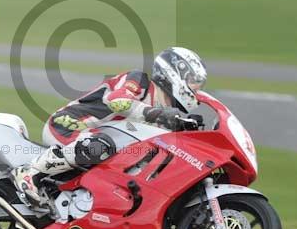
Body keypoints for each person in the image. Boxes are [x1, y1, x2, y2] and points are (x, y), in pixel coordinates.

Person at [12, 47, 208, 204]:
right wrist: (157, 114)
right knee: (100, 145)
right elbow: (117, 101)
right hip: (70, 126)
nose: (196, 89)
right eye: (193, 82)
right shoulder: (139, 80)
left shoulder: (164, 112)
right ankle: (31, 173)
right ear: (173, 73)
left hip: (98, 139)